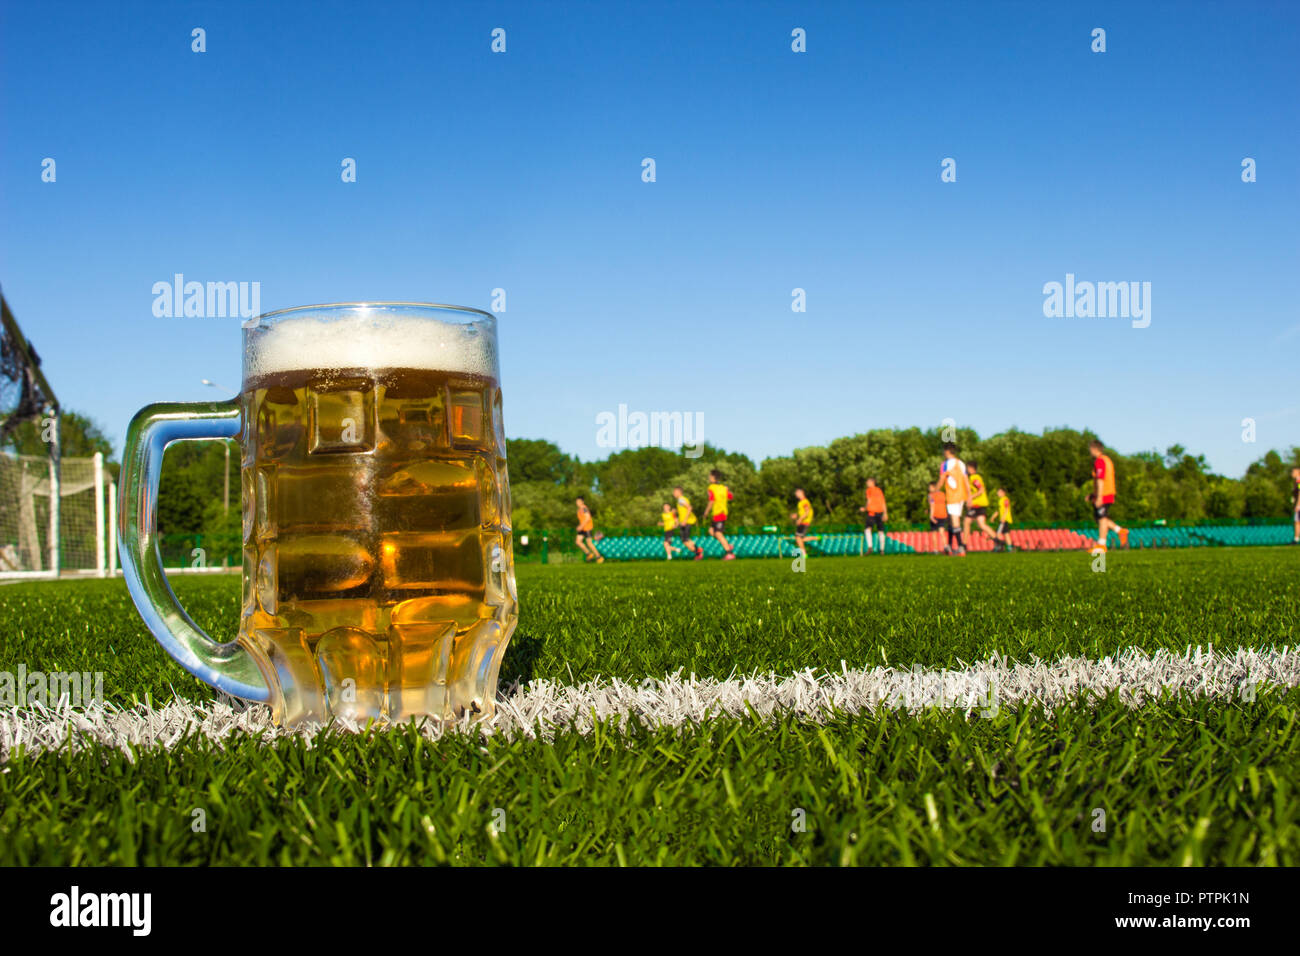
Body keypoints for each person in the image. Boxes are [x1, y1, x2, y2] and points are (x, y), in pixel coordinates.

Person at [1089, 439, 1129, 550]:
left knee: (1102, 519)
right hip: (1107, 492)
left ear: (1094, 449)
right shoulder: (1107, 460)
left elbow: (1101, 479)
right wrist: (1093, 495)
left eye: (1090, 449)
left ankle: (1102, 544)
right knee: (1101, 518)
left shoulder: (1100, 461)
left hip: (1105, 494)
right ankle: (1120, 531)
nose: (1090, 452)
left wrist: (1099, 497)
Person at [963, 460, 1009, 550]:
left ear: (971, 468)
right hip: (982, 504)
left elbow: (981, 490)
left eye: (967, 468)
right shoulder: (976, 477)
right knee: (981, 524)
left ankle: (963, 545)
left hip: (977, 504)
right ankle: (998, 540)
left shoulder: (974, 478)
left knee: (966, 522)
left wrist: (970, 497)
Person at [937, 442, 970, 555]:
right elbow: (966, 480)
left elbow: (942, 479)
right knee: (952, 522)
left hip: (952, 496)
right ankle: (950, 547)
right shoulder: (961, 463)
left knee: (955, 522)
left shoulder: (945, 464)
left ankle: (961, 548)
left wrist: (935, 490)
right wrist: (969, 496)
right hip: (962, 496)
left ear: (946, 451)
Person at [705, 470, 737, 560]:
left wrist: (706, 511)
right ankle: (727, 544)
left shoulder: (711, 488)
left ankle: (729, 553)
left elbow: (711, 500)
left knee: (718, 533)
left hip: (719, 513)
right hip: (719, 513)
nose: (708, 478)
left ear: (712, 477)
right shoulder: (723, 487)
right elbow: (731, 497)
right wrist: (728, 490)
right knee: (711, 531)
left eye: (709, 476)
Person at [673, 486, 704, 560]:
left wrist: (685, 520)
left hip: (686, 522)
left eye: (674, 492)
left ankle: (698, 553)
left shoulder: (681, 499)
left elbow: (689, 508)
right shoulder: (681, 500)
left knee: (685, 540)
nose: (673, 493)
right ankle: (697, 550)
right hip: (685, 522)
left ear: (679, 492)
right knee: (684, 539)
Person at [858, 477, 888, 555]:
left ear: (872, 482)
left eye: (868, 482)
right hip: (880, 512)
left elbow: (869, 500)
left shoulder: (869, 490)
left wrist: (864, 508)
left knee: (868, 529)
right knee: (880, 531)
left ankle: (870, 547)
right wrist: (885, 513)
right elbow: (883, 502)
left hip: (872, 512)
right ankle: (882, 550)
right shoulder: (879, 490)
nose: (866, 483)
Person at [575, 496, 604, 563]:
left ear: (582, 502)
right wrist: (580, 526)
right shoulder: (579, 510)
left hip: (587, 528)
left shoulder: (584, 508)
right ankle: (589, 554)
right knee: (578, 542)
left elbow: (587, 518)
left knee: (589, 543)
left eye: (579, 501)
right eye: (576, 502)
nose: (577, 503)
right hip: (582, 528)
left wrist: (581, 526)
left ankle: (599, 557)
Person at [790, 488, 814, 557]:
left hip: (805, 522)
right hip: (803, 521)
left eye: (797, 493)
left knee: (798, 538)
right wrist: (796, 516)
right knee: (799, 539)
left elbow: (807, 512)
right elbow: (802, 512)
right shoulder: (800, 502)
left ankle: (804, 554)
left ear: (802, 493)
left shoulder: (804, 501)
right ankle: (815, 538)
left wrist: (800, 519)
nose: (796, 494)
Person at [928, 481, 947, 551]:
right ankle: (945, 546)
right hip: (943, 515)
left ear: (934, 487)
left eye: (930, 487)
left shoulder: (931, 495)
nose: (929, 489)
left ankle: (935, 549)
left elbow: (932, 506)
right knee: (942, 532)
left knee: (934, 533)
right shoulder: (943, 494)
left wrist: (931, 516)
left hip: (935, 515)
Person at [995, 487, 1014, 552]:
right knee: (1006, 533)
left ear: (1003, 493)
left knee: (998, 533)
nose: (997, 493)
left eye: (999, 492)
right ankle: (1009, 548)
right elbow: (999, 510)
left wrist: (1003, 517)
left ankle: (999, 546)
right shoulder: (1000, 500)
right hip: (1004, 519)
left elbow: (1007, 509)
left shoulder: (1005, 499)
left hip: (1004, 519)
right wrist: (993, 516)